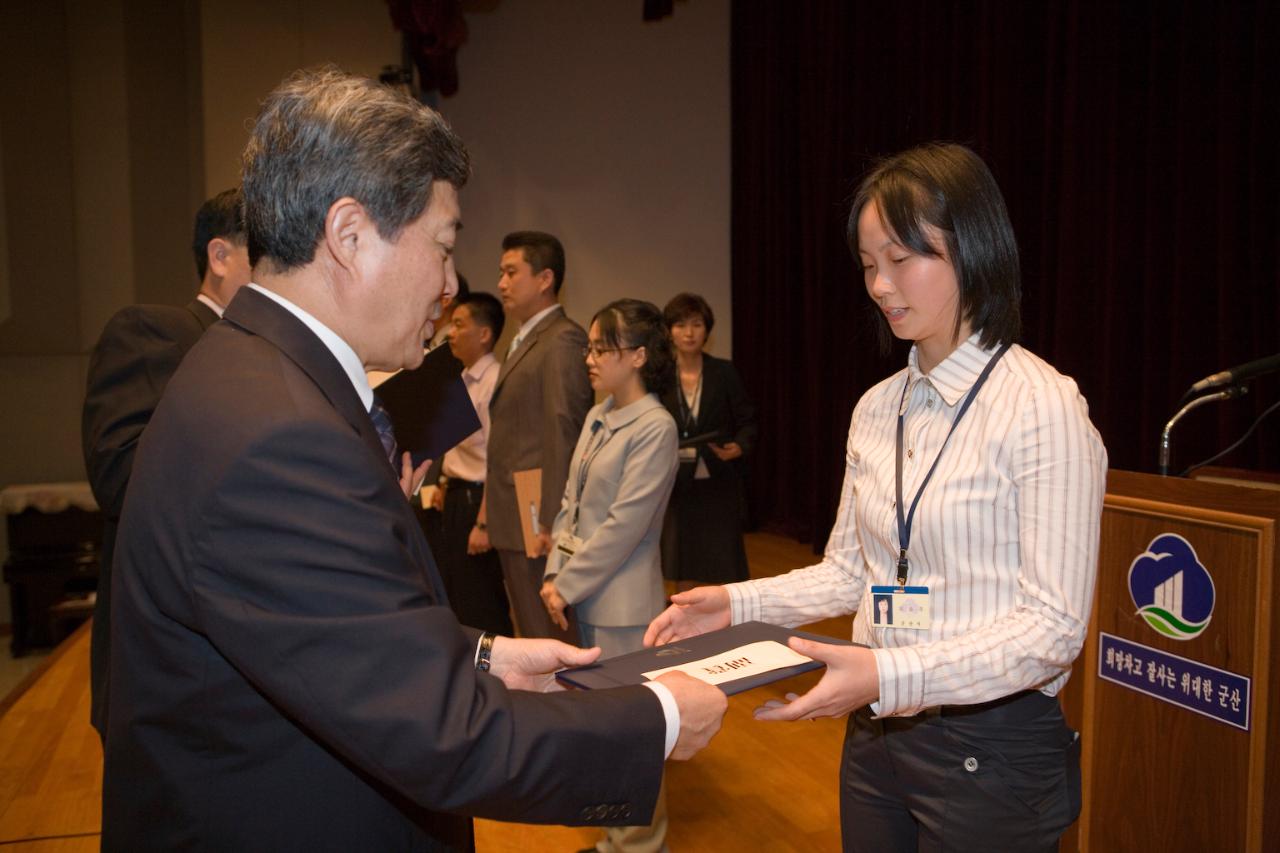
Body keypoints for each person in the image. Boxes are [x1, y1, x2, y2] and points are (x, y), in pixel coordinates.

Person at [101, 67, 726, 852]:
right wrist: (659, 712)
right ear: (350, 233)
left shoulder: (251, 373)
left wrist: (483, 654)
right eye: (442, 243)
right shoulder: (278, 431)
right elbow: (441, 735)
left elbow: (323, 630)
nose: (451, 281)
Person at [645, 142, 1107, 852]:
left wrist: (889, 672)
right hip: (877, 730)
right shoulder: (877, 407)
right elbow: (850, 572)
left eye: (902, 258)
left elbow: (1052, 629)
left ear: (974, 249)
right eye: (867, 265)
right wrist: (735, 604)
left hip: (991, 748)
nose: (881, 286)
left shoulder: (1041, 405)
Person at [81, 186, 252, 739]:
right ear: (219, 256)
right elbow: (121, 476)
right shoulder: (157, 332)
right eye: (267, 252)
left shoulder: (267, 353)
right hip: (173, 663)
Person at [539, 299, 679, 853]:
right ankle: (614, 840)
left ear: (639, 357)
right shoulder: (600, 415)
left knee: (633, 737)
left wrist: (565, 585)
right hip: (587, 596)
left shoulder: (656, 427)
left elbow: (625, 526)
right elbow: (571, 505)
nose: (591, 359)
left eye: (604, 348)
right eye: (591, 347)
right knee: (605, 732)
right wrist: (555, 573)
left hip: (624, 608)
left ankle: (643, 846)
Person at [487, 231, 593, 640]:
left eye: (512, 272)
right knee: (531, 631)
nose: (501, 283)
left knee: (549, 635)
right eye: (501, 273)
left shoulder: (562, 339)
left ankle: (562, 705)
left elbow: (563, 430)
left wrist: (552, 518)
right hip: (516, 512)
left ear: (545, 278)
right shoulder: (525, 339)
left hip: (538, 517)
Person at [659, 293, 757, 590]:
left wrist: (739, 447)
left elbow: (747, 419)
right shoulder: (659, 375)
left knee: (720, 562)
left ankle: (724, 627)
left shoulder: (723, 371)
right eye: (680, 325)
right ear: (669, 331)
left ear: (707, 330)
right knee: (682, 561)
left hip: (717, 476)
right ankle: (685, 625)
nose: (689, 333)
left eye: (697, 324)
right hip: (674, 479)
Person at [434, 291, 513, 635]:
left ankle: (499, 680)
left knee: (481, 601)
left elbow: (499, 456)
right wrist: (442, 484)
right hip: (455, 497)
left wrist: (484, 523)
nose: (450, 332)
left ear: (484, 334)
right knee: (456, 597)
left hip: (477, 503)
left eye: (459, 324)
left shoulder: (495, 381)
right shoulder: (461, 378)